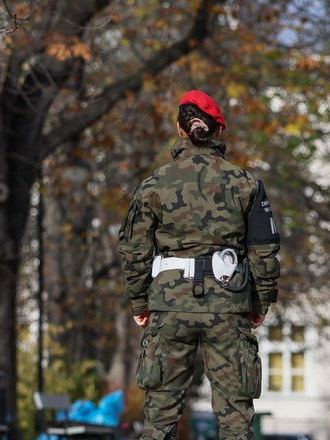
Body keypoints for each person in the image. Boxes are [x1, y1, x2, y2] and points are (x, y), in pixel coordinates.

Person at [118, 90, 281, 440]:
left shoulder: (154, 184)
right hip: (228, 304)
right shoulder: (246, 183)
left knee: (160, 414)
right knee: (236, 415)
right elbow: (264, 251)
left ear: (179, 128)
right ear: (218, 132)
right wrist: (260, 302)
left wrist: (139, 302)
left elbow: (134, 250)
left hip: (170, 305)